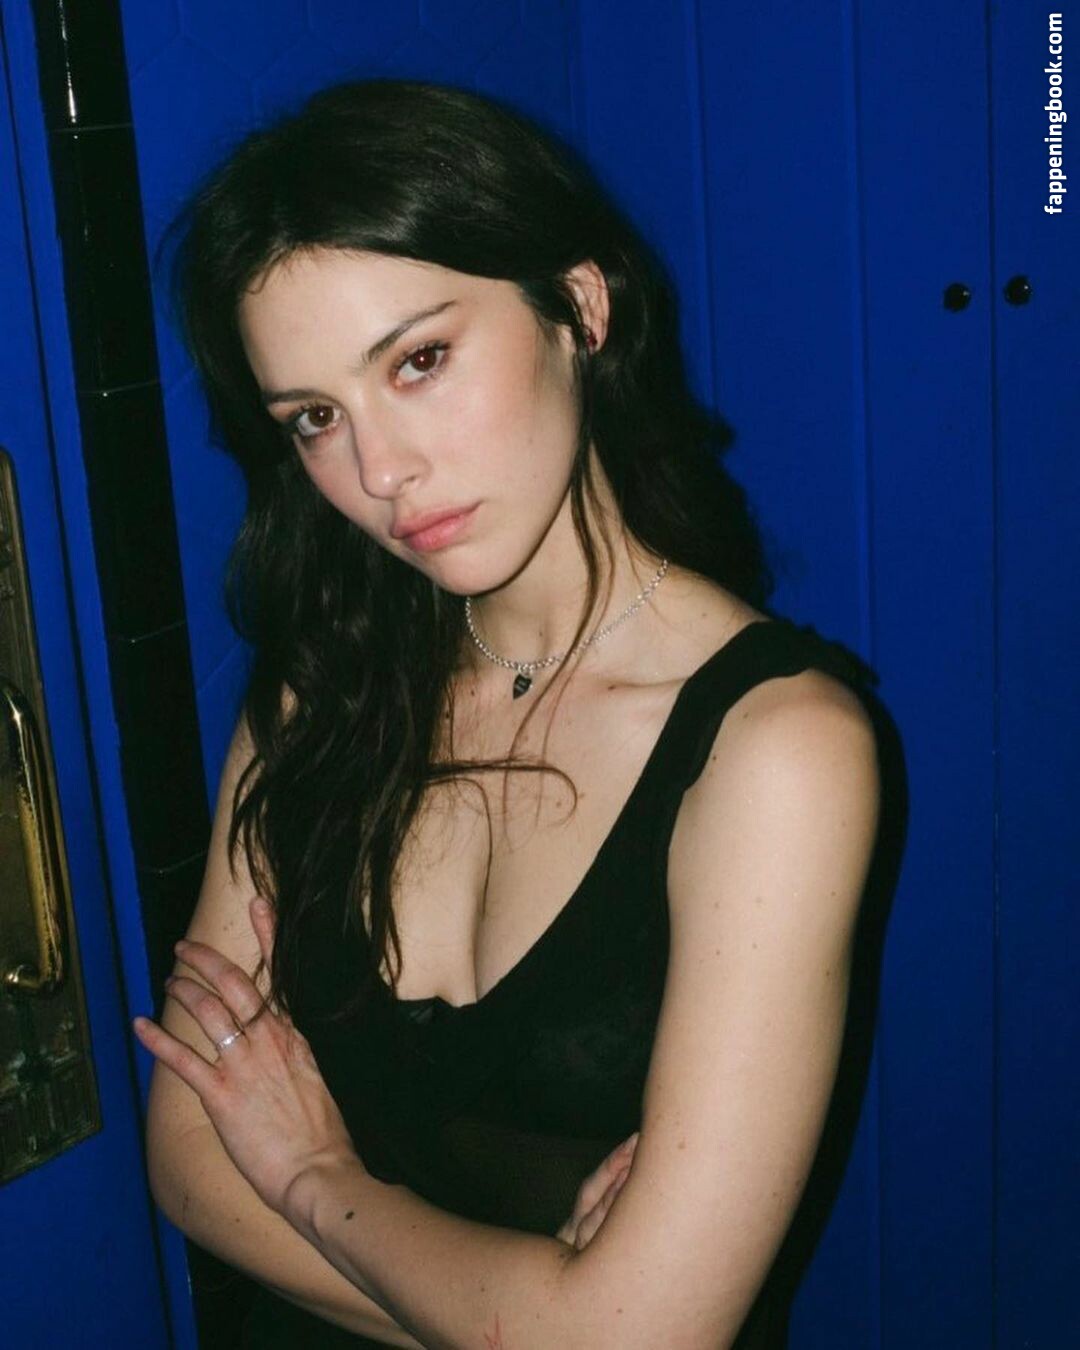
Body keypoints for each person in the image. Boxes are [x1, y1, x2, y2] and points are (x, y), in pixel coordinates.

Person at [133, 79, 883, 1349]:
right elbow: (192, 1162)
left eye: (418, 362)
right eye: (315, 419)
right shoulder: (322, 693)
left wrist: (313, 1177)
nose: (379, 473)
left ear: (579, 308)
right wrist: (539, 1311)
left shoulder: (778, 751)